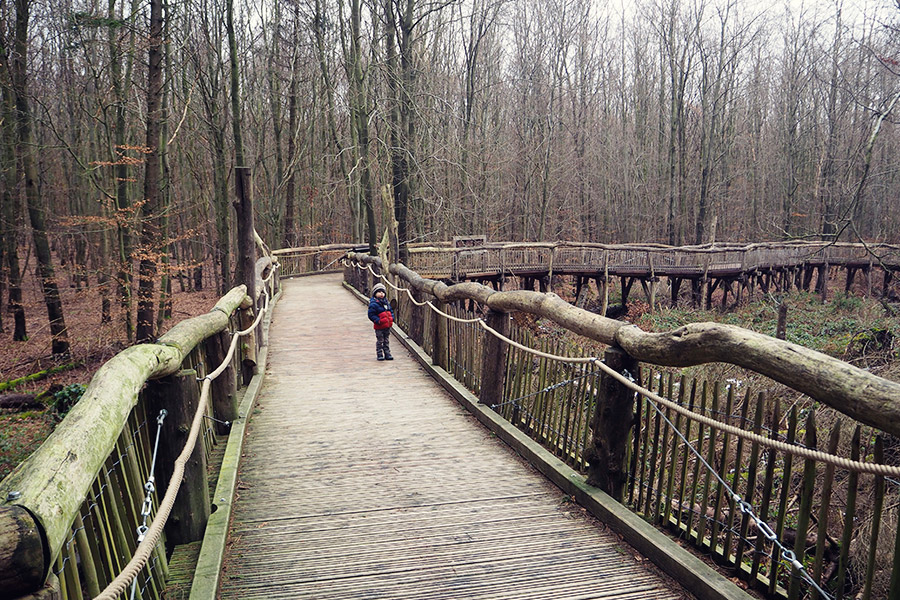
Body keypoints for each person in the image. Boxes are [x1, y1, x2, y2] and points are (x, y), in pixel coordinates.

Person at [368, 283, 394, 361]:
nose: (381, 294)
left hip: (387, 325)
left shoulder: (386, 302)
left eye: (382, 292)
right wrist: (377, 320)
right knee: (380, 340)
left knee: (386, 340)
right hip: (379, 326)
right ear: (375, 294)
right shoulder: (374, 304)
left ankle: (387, 353)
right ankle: (379, 354)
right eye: (379, 292)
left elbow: (390, 311)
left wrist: (391, 318)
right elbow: (371, 314)